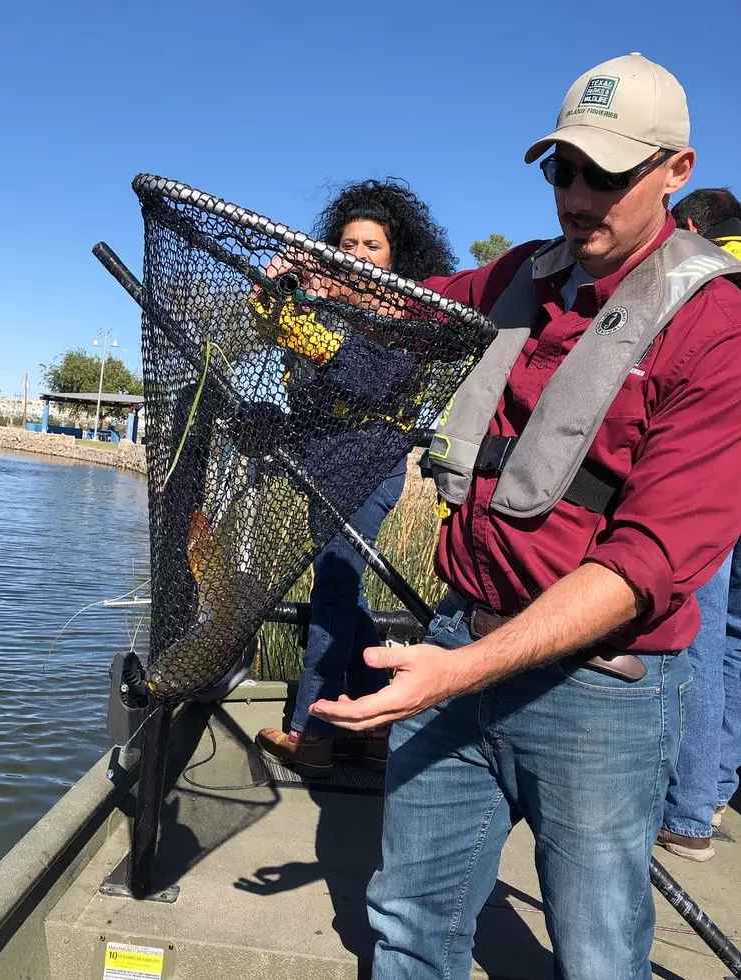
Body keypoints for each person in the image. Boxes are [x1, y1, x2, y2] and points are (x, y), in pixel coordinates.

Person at [310, 53, 741, 979]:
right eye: (562, 170)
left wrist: (455, 673)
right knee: (407, 924)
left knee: (594, 950)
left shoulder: (718, 330)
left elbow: (647, 562)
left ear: (677, 170)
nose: (578, 198)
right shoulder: (521, 275)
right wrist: (316, 287)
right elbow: (409, 307)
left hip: (600, 693)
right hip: (459, 641)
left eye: (608, 174)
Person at [255, 180, 456, 776]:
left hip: (373, 464)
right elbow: (269, 321)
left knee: (333, 593)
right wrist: (278, 278)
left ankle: (311, 732)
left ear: (397, 257)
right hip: (325, 461)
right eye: (348, 244)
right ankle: (370, 728)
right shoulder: (325, 309)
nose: (360, 254)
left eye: (373, 245)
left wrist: (310, 308)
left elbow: (362, 373)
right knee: (347, 588)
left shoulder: (408, 317)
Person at [659, 188, 741, 861]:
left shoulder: (700, 266)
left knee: (699, 632)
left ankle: (685, 812)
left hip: (722, 469)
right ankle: (714, 786)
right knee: (737, 637)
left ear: (688, 225)